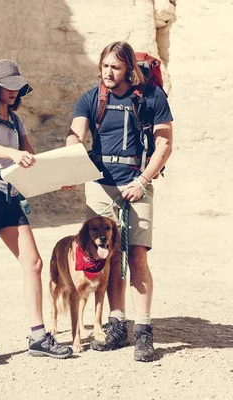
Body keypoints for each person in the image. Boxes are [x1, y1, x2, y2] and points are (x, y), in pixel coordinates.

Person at [65, 42, 173, 362]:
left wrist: (142, 181)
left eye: (116, 67)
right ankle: (116, 323)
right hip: (100, 186)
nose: (109, 73)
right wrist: (70, 158)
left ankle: (143, 331)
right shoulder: (91, 98)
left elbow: (164, 144)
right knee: (107, 256)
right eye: (105, 66)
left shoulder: (152, 98)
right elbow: (75, 134)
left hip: (137, 181)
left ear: (129, 69)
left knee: (137, 256)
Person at [0, 59, 73, 364]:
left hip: (9, 197)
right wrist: (12, 153)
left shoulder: (16, 121)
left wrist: (59, 180)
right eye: (8, 86)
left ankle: (38, 337)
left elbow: (32, 161)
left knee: (34, 263)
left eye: (17, 86)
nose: (14, 91)